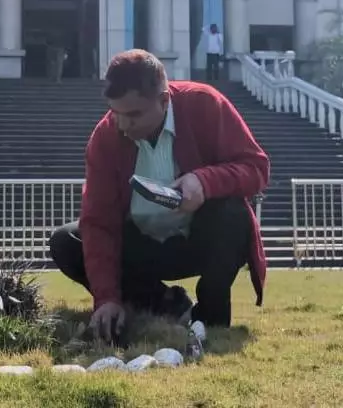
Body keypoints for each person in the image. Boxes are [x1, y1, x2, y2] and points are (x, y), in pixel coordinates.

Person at [48, 49, 269, 343]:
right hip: (140, 248)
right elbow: (99, 222)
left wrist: (204, 182)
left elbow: (256, 168)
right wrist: (106, 298)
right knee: (67, 241)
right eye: (116, 113)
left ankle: (211, 316)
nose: (123, 125)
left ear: (164, 100)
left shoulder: (205, 103)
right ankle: (167, 305)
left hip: (201, 240)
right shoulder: (105, 138)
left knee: (234, 214)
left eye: (134, 114)